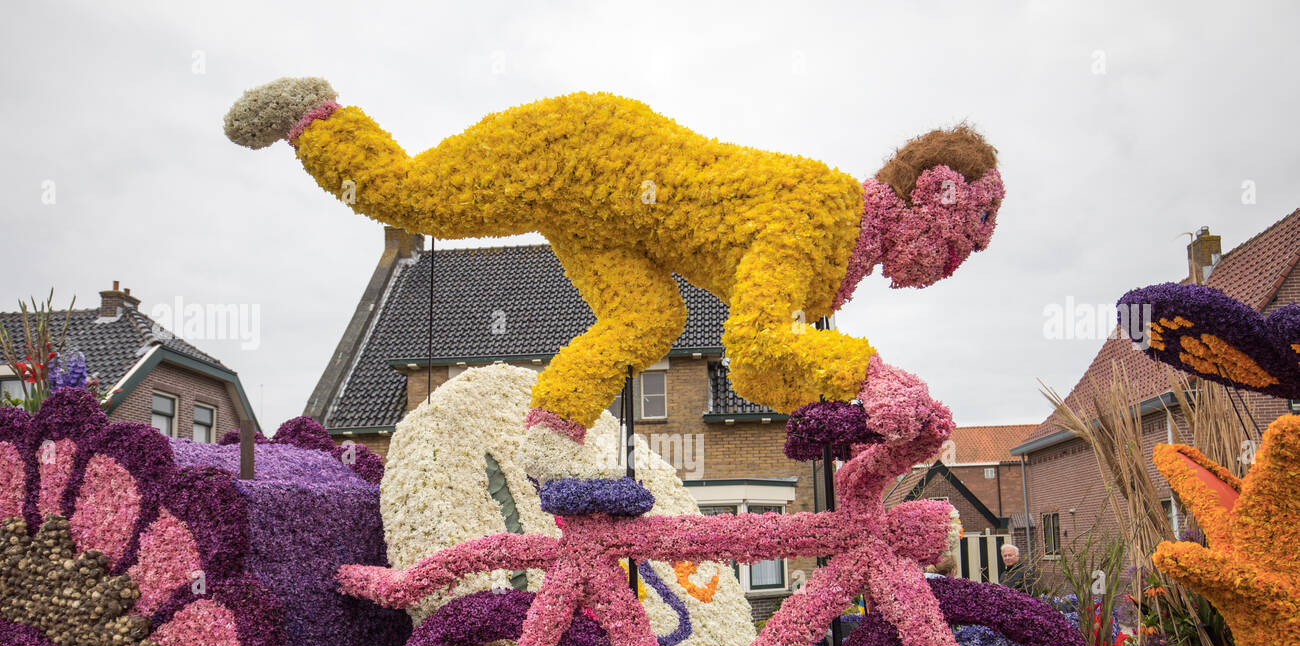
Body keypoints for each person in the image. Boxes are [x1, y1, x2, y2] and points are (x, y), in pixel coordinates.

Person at [225, 79, 1004, 495]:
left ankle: (551, 430)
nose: (955, 263)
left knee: (649, 317)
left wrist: (859, 404)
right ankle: (314, 117)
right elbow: (760, 356)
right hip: (584, 151)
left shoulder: (836, 245)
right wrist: (869, 378)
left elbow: (774, 367)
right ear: (929, 195)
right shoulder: (817, 217)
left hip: (623, 222)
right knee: (413, 198)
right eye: (960, 239)